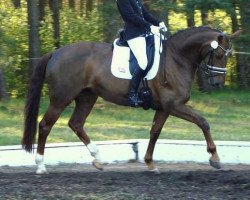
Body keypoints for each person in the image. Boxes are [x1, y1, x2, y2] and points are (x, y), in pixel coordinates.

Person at [116, 0, 167, 107]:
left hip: (144, 34)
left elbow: (145, 14)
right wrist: (149, 26)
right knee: (143, 62)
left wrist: (158, 23)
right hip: (133, 35)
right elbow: (130, 16)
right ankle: (132, 94)